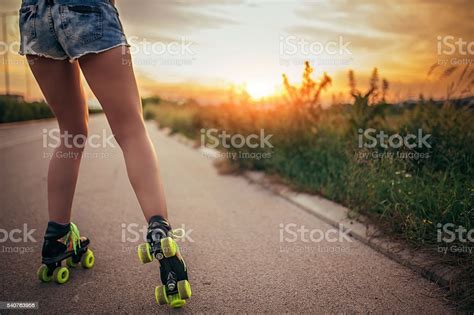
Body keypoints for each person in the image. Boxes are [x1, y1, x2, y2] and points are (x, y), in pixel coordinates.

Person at [18, 0, 191, 308]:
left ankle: (56, 238)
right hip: (88, 8)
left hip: (35, 15)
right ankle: (159, 230)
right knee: (130, 128)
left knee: (70, 134)